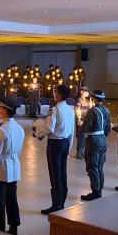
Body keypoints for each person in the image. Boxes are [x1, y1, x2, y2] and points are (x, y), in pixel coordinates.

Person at [0, 97, 25, 235]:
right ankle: (14, 228)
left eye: (1, 108)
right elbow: (19, 150)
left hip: (0, 171)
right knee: (12, 199)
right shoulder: (19, 128)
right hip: (14, 168)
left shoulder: (0, 130)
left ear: (5, 111)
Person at [41, 85, 75, 215]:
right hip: (66, 142)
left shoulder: (54, 109)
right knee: (62, 172)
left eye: (55, 92)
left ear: (59, 95)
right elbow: (72, 131)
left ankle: (56, 204)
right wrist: (69, 147)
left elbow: (49, 128)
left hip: (55, 144)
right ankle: (62, 202)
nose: (54, 95)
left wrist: (38, 130)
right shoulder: (70, 109)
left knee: (55, 173)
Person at [80, 90, 111, 201]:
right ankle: (99, 189)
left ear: (93, 99)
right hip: (102, 140)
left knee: (92, 166)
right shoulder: (106, 110)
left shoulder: (92, 111)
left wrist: (80, 123)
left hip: (93, 141)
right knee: (99, 166)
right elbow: (108, 128)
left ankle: (95, 192)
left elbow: (85, 128)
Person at [74, 87, 91, 159]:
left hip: (87, 119)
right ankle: (79, 152)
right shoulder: (78, 100)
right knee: (81, 136)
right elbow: (77, 110)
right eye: (85, 91)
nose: (87, 93)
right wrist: (79, 118)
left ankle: (84, 152)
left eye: (87, 91)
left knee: (86, 136)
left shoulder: (87, 100)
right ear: (81, 92)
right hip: (80, 119)